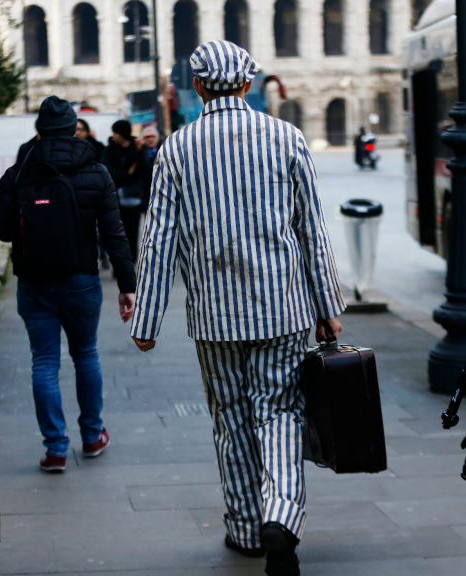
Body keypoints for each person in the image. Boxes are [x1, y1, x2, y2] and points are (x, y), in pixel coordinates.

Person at [130, 41, 345, 576]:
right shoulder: (287, 139)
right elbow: (311, 231)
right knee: (280, 411)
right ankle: (283, 517)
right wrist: (328, 304)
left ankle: (248, 527)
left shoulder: (176, 150)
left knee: (230, 418)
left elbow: (159, 240)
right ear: (248, 84)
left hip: (214, 317)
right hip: (283, 310)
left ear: (198, 87)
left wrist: (147, 319)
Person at [0, 96, 136, 473]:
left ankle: (55, 449)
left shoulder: (19, 172)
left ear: (39, 130)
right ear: (74, 128)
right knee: (86, 354)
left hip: (34, 282)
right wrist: (126, 284)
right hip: (82, 280)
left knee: (44, 363)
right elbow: (114, 233)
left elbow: (0, 230)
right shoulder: (97, 172)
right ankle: (92, 436)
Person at [101, 119, 145, 261]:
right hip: (114, 195)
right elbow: (107, 169)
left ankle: (131, 259)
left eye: (116, 133)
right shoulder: (109, 150)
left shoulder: (136, 148)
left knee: (132, 230)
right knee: (118, 231)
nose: (113, 136)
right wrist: (126, 174)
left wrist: (139, 152)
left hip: (133, 195)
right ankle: (120, 260)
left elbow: (145, 169)